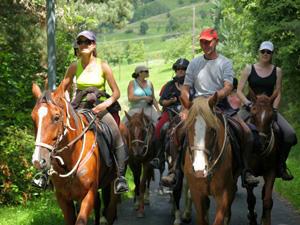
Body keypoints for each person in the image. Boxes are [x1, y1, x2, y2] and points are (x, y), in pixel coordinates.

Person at [32, 30, 129, 194]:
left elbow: (116, 93)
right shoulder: (74, 66)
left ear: (94, 45)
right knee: (58, 133)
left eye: (88, 42)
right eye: (81, 42)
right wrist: (68, 103)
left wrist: (105, 104)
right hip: (79, 106)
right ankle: (45, 174)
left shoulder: (103, 66)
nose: (84, 45)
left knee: (116, 132)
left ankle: (120, 177)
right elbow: (64, 89)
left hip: (100, 106)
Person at [162, 28, 259, 188]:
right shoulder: (194, 63)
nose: (205, 44)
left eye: (208, 41)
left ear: (216, 42)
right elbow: (186, 88)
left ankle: (246, 171)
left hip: (219, 104)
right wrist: (186, 108)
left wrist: (212, 99)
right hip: (196, 105)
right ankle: (174, 171)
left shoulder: (225, 62)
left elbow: (228, 87)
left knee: (246, 131)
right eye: (202, 41)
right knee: (175, 133)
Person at [236, 41, 297, 181]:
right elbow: (239, 91)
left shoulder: (277, 71)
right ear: (259, 52)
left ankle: (280, 166)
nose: (265, 54)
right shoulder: (249, 69)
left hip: (268, 108)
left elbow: (278, 92)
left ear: (272, 54)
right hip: (250, 106)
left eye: (268, 52)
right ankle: (236, 164)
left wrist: (274, 108)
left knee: (289, 133)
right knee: (233, 129)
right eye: (263, 51)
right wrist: (248, 103)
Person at [149, 58, 190, 170]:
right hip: (171, 111)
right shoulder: (169, 85)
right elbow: (162, 101)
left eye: (183, 69)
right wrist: (170, 101)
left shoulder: (192, 84)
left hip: (188, 111)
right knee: (158, 128)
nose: (180, 71)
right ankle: (159, 158)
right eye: (178, 69)